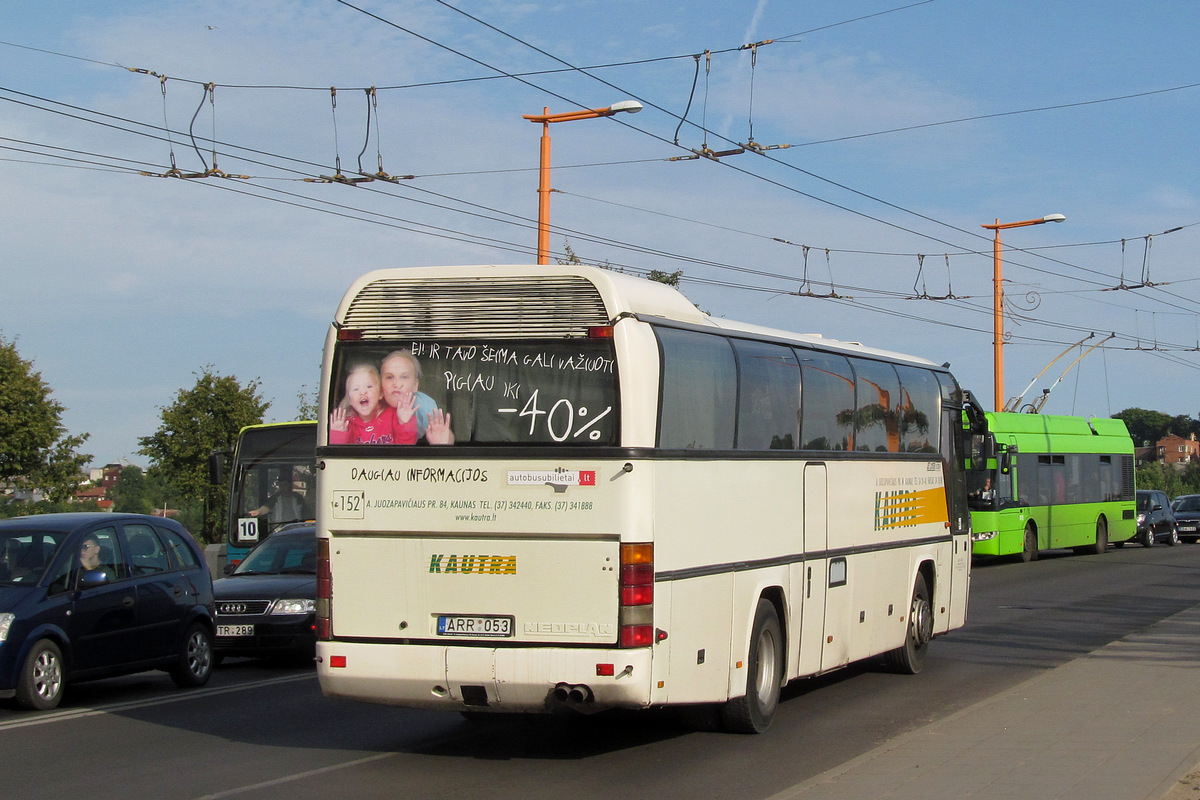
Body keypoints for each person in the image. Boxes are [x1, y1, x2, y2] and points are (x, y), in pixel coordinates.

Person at [329, 362, 416, 445]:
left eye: (369, 386)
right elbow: (339, 456)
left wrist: (404, 423)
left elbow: (406, 449)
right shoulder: (347, 424)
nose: (363, 392)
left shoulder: (393, 416)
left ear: (380, 394)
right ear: (350, 401)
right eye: (356, 389)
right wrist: (337, 434)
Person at [380, 350, 454, 445]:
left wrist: (443, 442)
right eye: (389, 377)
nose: (396, 384)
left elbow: (442, 432)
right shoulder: (373, 402)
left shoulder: (424, 406)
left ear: (415, 385)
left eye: (404, 377)